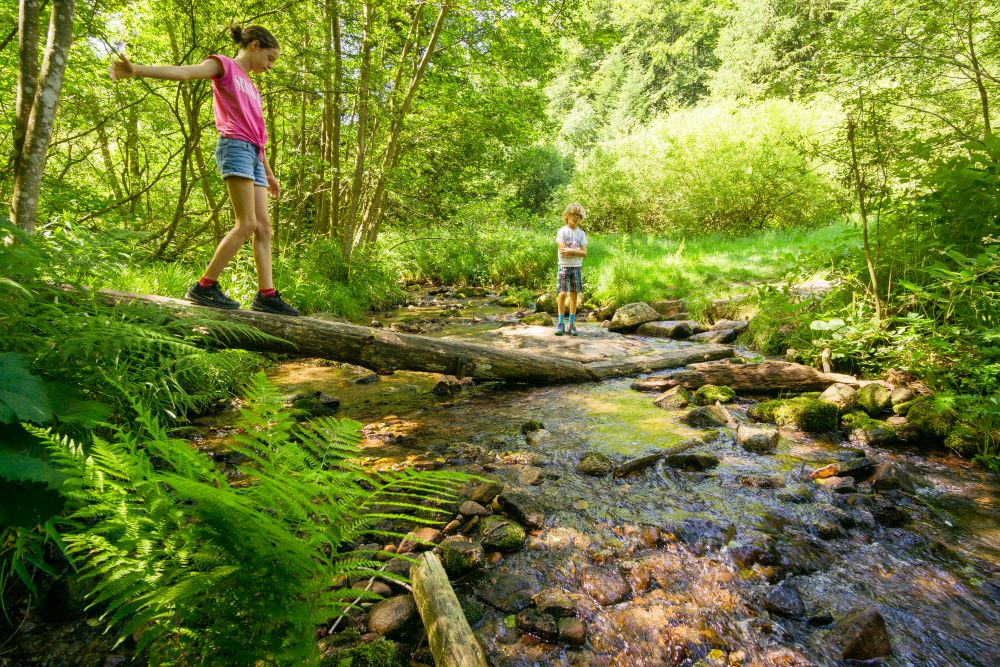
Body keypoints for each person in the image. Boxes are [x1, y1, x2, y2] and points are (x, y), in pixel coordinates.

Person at [108, 25, 300, 316]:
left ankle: (266, 296)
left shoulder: (253, 88)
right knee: (246, 223)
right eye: (270, 58)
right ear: (254, 45)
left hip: (255, 154)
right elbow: (185, 72)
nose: (270, 66)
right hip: (235, 147)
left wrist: (270, 173)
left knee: (264, 227)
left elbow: (258, 135)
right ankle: (204, 287)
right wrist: (137, 69)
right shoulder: (224, 66)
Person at [555, 203, 587, 336]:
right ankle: (561, 323)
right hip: (563, 266)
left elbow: (584, 253)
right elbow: (563, 251)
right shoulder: (562, 231)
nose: (576, 217)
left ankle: (572, 324)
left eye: (578, 215)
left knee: (574, 294)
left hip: (576, 267)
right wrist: (576, 250)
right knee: (562, 294)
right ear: (566, 215)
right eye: (573, 214)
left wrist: (572, 251)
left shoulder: (581, 233)